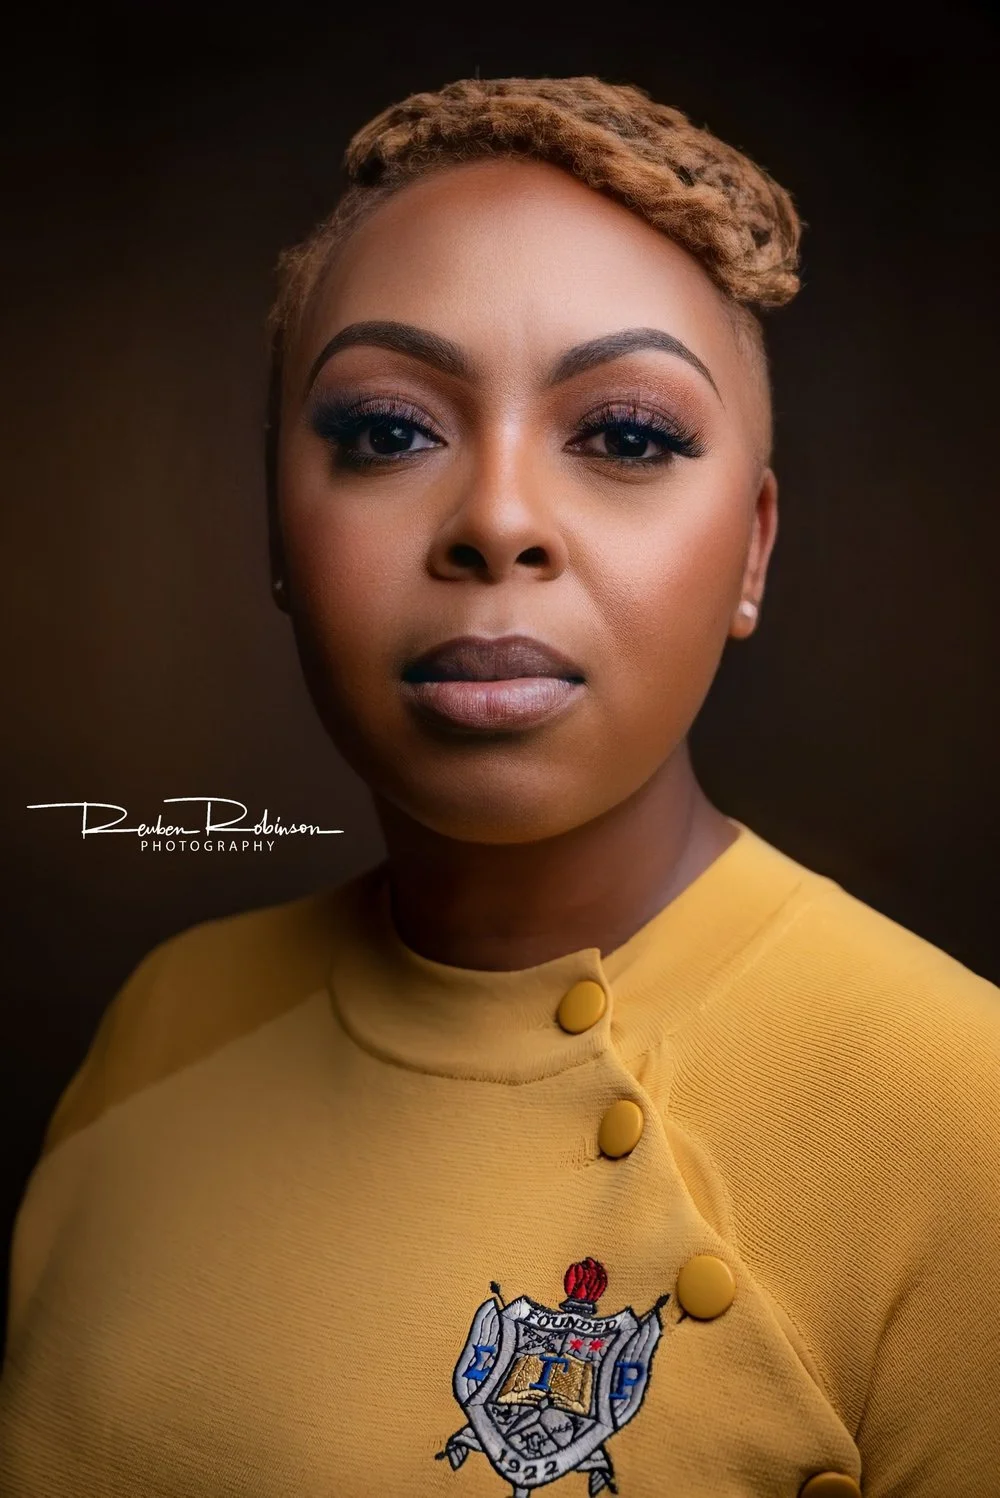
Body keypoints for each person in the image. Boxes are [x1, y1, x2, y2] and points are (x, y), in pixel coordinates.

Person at [1, 75, 997, 1498]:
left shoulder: (963, 1118)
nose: (498, 519)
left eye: (627, 436)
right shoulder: (164, 1023)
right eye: (390, 430)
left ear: (753, 551)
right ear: (275, 528)